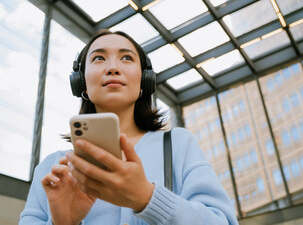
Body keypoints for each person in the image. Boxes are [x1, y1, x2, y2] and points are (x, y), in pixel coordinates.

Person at [19, 29, 239, 225]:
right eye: (98, 58)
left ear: (144, 80)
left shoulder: (178, 145)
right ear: (81, 81)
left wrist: (146, 197)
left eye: (126, 58)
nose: (113, 67)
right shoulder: (51, 168)